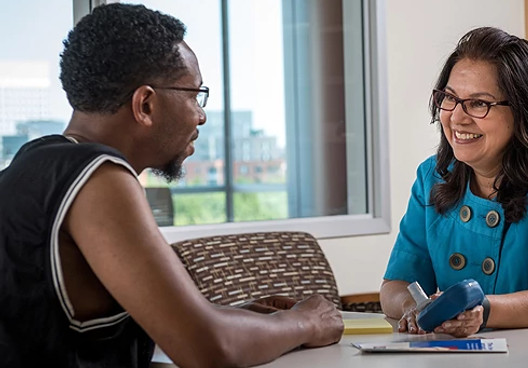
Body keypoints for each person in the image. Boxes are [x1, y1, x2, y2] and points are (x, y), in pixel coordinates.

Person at [0, 4, 343, 367]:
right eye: (195, 95)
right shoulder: (99, 175)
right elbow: (209, 349)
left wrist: (229, 318)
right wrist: (304, 322)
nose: (202, 114)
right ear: (145, 104)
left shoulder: (35, 161)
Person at [380, 27, 528, 338]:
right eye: (450, 98)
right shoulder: (432, 175)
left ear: (524, 109)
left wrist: (482, 311)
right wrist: (410, 307)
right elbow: (395, 284)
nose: (457, 117)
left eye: (479, 103)